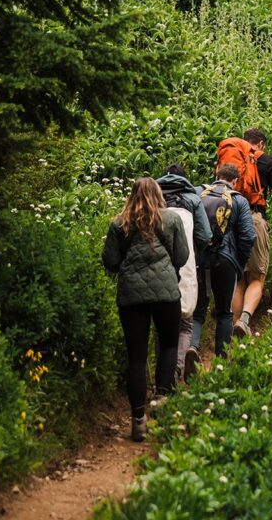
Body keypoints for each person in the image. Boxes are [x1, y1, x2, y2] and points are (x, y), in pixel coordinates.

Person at [101, 177, 188, 442]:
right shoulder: (171, 220)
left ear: (132, 195)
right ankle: (161, 399)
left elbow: (110, 261)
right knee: (169, 345)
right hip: (165, 294)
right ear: (158, 194)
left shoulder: (119, 223)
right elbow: (182, 256)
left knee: (136, 356)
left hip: (131, 297)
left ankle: (138, 420)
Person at [184, 163, 256, 376]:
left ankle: (192, 347)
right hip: (226, 261)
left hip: (200, 259)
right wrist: (239, 262)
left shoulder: (198, 193)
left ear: (216, 174)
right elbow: (248, 236)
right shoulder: (239, 200)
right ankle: (221, 364)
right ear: (235, 181)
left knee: (198, 310)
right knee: (224, 311)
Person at [232, 128, 272, 338]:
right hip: (254, 218)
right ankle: (245, 320)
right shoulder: (267, 161)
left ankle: (233, 329)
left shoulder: (234, 159)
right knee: (257, 277)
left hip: (231, 219)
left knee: (240, 278)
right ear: (261, 144)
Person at [156, 164, 212, 377]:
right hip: (186, 265)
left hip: (158, 268)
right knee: (186, 320)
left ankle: (161, 374)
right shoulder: (192, 198)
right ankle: (177, 368)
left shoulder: (154, 197)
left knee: (160, 325)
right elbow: (205, 235)